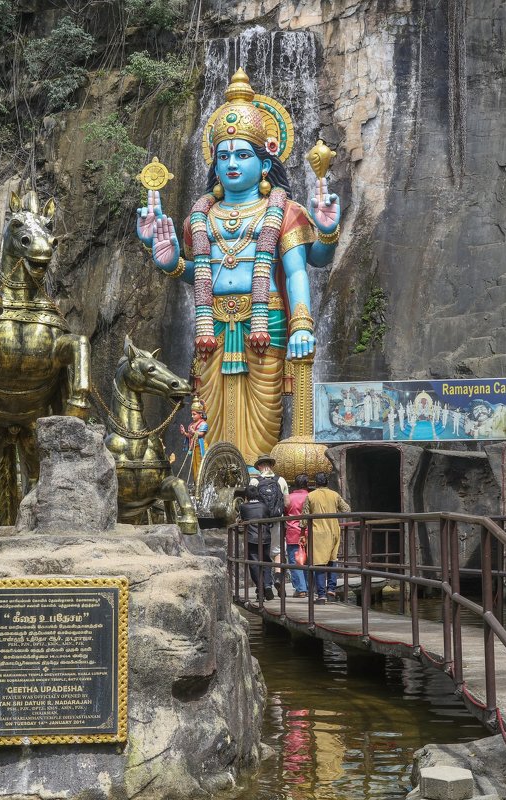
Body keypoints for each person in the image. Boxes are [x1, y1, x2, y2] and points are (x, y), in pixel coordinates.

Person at [136, 68, 342, 464]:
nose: (232, 163)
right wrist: (172, 264)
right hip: (209, 326)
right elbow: (198, 274)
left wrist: (303, 324)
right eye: (224, 155)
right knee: (207, 416)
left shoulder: (284, 211)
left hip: (268, 322)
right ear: (213, 164)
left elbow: (301, 268)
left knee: (263, 421)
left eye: (243, 154)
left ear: (265, 163)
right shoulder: (200, 217)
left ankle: (258, 488)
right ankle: (206, 491)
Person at [304, 471, 350, 603]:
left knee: (319, 563)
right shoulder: (335, 495)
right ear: (327, 482)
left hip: (318, 533)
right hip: (334, 531)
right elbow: (346, 510)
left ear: (315, 483)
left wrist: (302, 530)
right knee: (332, 560)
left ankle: (321, 595)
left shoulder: (310, 496)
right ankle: (331, 590)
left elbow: (303, 518)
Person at [249, 453, 288, 596]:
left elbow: (251, 502)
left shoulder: (255, 482)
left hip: (261, 523)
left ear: (259, 466)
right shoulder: (281, 480)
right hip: (277, 521)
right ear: (271, 465)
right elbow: (287, 502)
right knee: (277, 551)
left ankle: (266, 585)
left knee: (262, 554)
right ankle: (278, 575)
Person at [238, 484, 272, 603]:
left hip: (251, 538)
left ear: (246, 496)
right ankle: (267, 584)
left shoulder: (243, 507)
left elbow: (242, 519)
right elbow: (269, 517)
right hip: (266, 537)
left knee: (254, 563)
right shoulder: (264, 506)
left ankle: (260, 588)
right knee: (267, 561)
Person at [283, 473, 311, 598]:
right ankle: (308, 587)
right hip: (310, 533)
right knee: (308, 560)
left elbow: (284, 511)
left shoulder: (289, 498)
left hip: (293, 532)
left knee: (296, 561)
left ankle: (301, 589)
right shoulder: (311, 496)